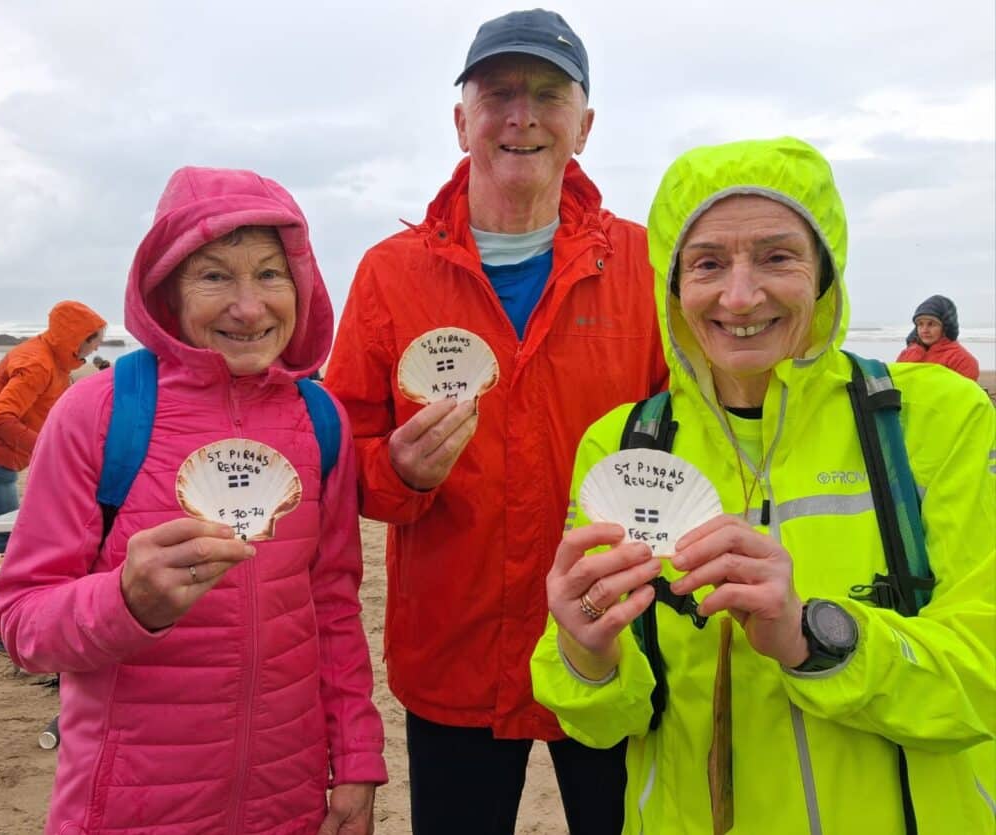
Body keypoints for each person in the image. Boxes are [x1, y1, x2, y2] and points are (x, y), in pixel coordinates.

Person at [532, 137, 995, 833]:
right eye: (707, 263)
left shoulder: (935, 418)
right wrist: (586, 652)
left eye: (778, 257)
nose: (740, 295)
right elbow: (601, 725)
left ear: (825, 271)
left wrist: (813, 636)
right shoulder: (624, 444)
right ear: (672, 286)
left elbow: (983, 683)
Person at [325, 9, 668, 834]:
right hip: (454, 654)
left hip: (614, 642)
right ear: (461, 120)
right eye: (499, 94)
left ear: (584, 125)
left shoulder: (646, 264)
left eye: (548, 95)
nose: (522, 116)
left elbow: (698, 445)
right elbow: (338, 460)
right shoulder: (390, 274)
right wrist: (399, 474)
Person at [0, 167, 387, 834]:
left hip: (286, 804)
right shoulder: (101, 412)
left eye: (270, 273)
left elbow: (334, 606)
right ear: (167, 291)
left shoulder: (321, 420)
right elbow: (21, 622)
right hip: (129, 806)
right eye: (214, 276)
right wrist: (124, 602)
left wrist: (355, 760)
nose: (249, 307)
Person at [0, 300, 106, 556]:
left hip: (0, 454)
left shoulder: (56, 359)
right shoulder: (37, 364)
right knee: (5, 533)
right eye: (96, 341)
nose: (98, 347)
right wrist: (46, 448)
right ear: (77, 338)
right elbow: (0, 417)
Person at [897, 294, 980, 380]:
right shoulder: (907, 354)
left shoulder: (962, 361)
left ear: (946, 327)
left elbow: (965, 388)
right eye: (920, 324)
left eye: (931, 324)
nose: (924, 330)